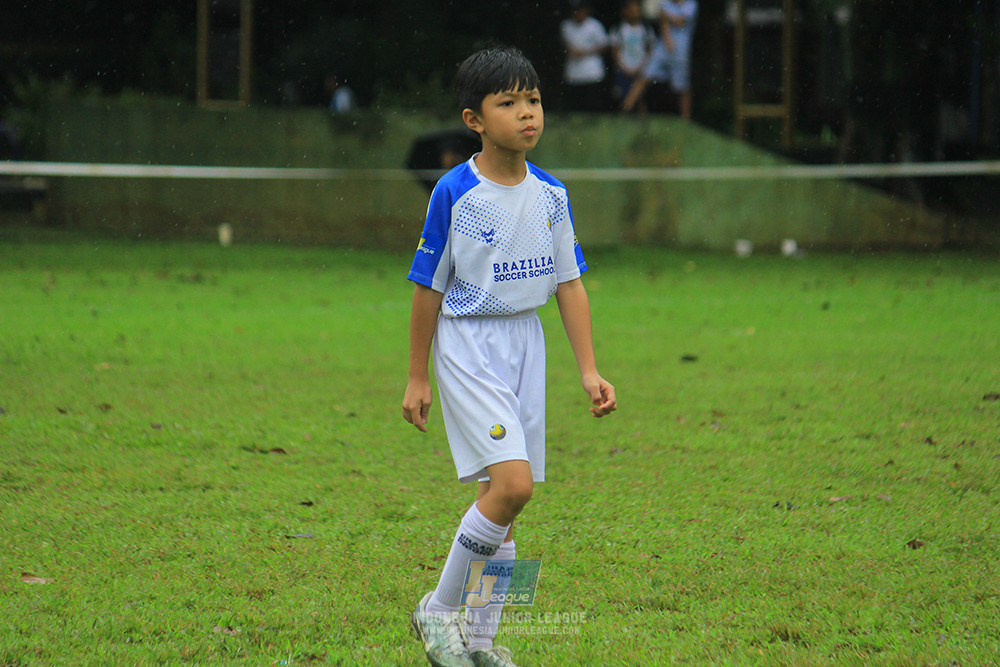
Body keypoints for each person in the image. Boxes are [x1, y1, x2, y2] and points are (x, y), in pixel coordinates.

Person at [402, 46, 617, 667]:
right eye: (509, 102)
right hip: (469, 342)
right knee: (513, 485)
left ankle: (485, 643)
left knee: (509, 500)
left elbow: (569, 283)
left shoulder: (552, 194)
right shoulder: (454, 192)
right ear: (475, 119)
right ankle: (438, 611)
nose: (527, 114)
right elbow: (428, 286)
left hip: (527, 342)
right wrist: (418, 374)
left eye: (534, 100)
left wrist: (588, 369)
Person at [622, 0, 698, 119]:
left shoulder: (691, 4)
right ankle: (624, 110)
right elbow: (663, 23)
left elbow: (680, 21)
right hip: (662, 48)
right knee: (644, 77)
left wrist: (665, 15)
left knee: (682, 86)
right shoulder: (666, 3)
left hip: (681, 51)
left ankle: (686, 119)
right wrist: (668, 38)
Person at [560, 0, 611, 111]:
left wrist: (584, 52)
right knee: (575, 101)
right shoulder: (566, 26)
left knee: (593, 102)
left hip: (592, 70)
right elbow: (565, 44)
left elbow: (605, 46)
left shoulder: (595, 25)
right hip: (573, 70)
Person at [609, 0, 657, 109]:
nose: (635, 13)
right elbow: (615, 51)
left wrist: (641, 67)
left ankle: (641, 119)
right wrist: (625, 68)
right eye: (632, 10)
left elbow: (650, 50)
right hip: (623, 69)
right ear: (625, 12)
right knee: (621, 96)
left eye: (637, 10)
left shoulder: (646, 29)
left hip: (641, 69)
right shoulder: (618, 29)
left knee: (640, 97)